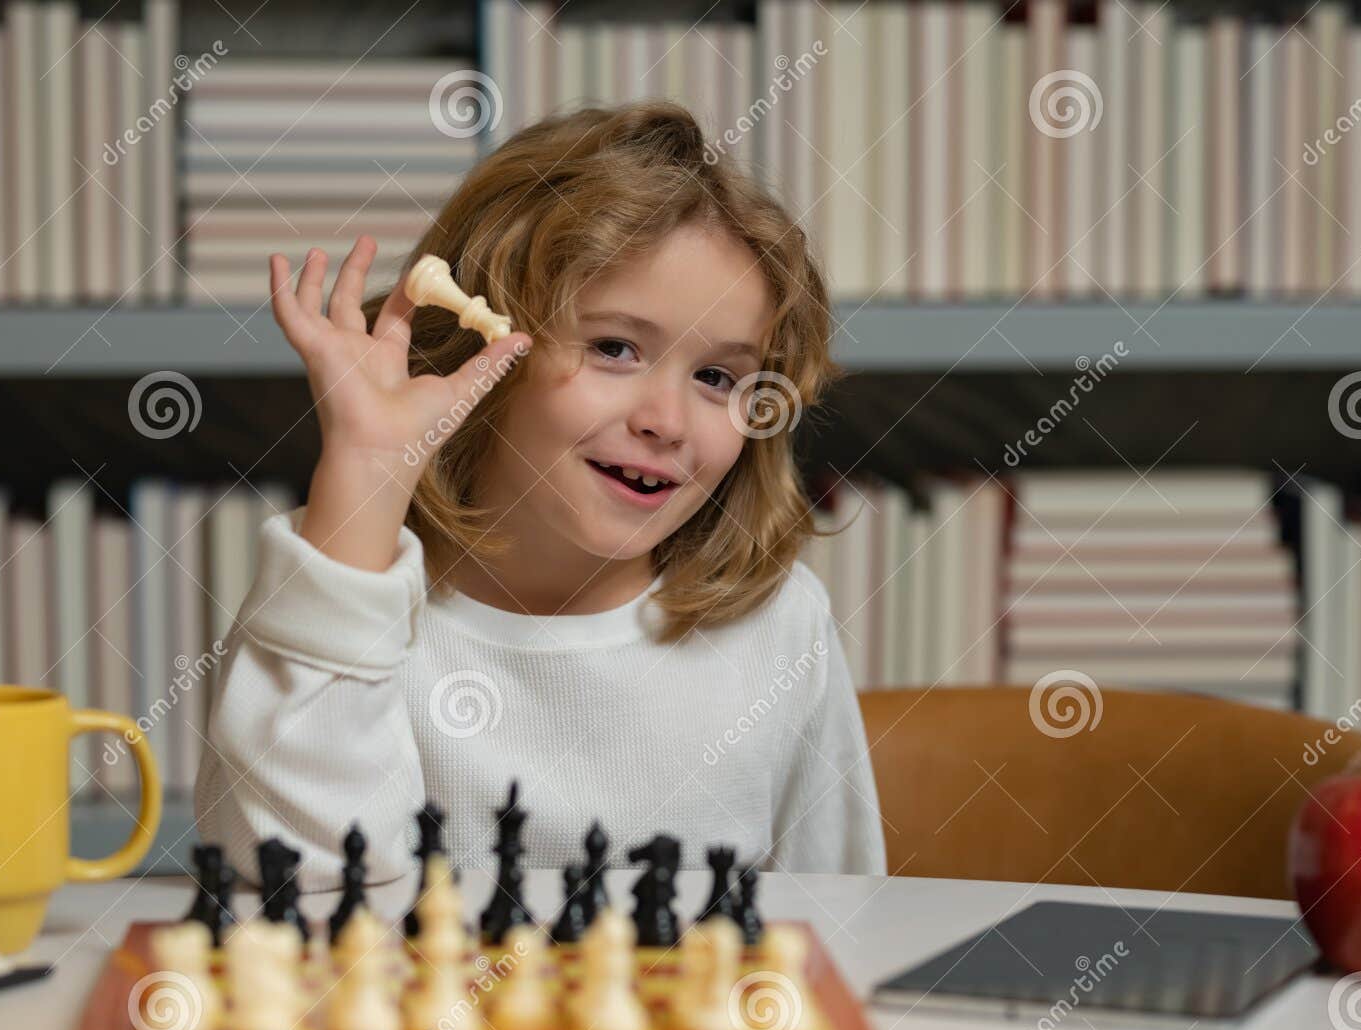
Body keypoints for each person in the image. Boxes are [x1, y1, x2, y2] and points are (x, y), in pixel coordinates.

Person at [194, 100, 887, 890]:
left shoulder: (778, 623)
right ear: (480, 351)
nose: (665, 422)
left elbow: (844, 917)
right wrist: (366, 478)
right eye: (614, 348)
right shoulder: (334, 585)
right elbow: (293, 883)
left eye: (717, 377)